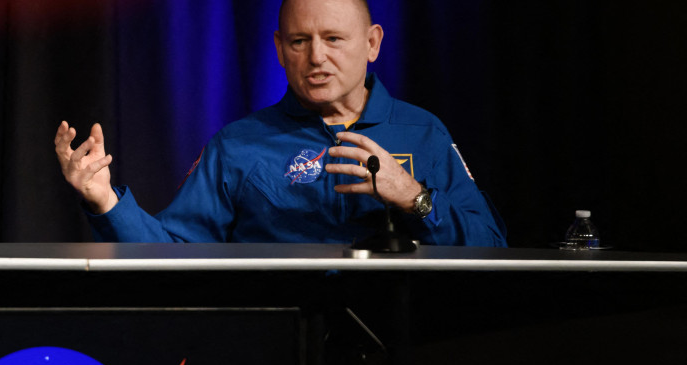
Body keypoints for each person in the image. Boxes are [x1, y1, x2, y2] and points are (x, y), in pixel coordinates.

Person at [54, 0, 505, 247]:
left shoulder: (422, 132)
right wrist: (106, 202)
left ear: (372, 43)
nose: (316, 57)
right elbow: (174, 252)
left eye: (333, 39)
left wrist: (411, 196)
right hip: (277, 352)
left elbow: (491, 245)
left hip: (406, 350)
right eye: (299, 41)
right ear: (278, 48)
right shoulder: (239, 145)